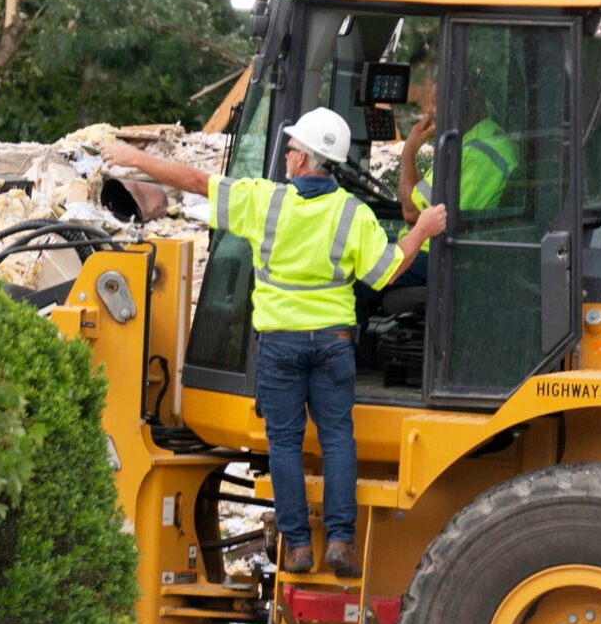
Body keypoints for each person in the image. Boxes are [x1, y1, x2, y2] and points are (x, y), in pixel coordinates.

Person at [103, 108, 449, 579]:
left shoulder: (264, 202)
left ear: (304, 160)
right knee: (337, 439)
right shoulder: (353, 213)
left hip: (280, 347)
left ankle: (301, 547)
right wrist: (422, 231)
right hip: (332, 345)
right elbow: (387, 271)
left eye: (290, 149)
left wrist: (130, 158)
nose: (286, 155)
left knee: (284, 444)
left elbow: (192, 180)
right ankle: (342, 540)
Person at [398, 84, 519, 225]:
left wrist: (408, 151)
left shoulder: (475, 154)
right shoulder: (486, 137)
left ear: (460, 107)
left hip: (428, 246)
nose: (429, 111)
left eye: (436, 104)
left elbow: (412, 213)